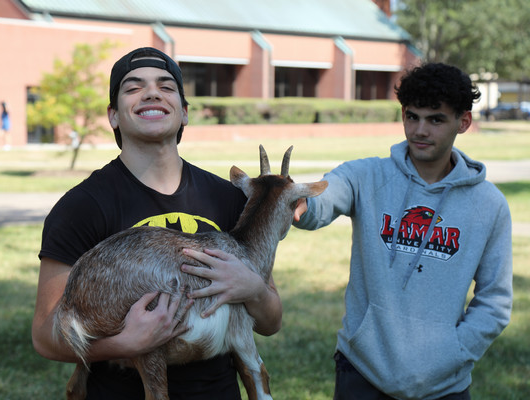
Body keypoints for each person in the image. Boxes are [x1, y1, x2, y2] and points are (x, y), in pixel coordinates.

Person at [31, 47, 282, 399]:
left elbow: (271, 322)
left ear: (184, 113)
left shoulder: (227, 198)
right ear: (114, 115)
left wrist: (253, 288)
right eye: (133, 88)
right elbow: (46, 336)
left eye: (166, 87)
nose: (152, 93)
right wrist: (124, 342)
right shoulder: (81, 207)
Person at [293, 63, 512, 400]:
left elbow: (495, 301)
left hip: (445, 385)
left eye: (435, 119)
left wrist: (453, 352)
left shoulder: (489, 204)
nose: (420, 130)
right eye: (412, 116)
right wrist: (301, 204)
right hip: (363, 373)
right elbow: (327, 195)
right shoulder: (366, 176)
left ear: (463, 122)